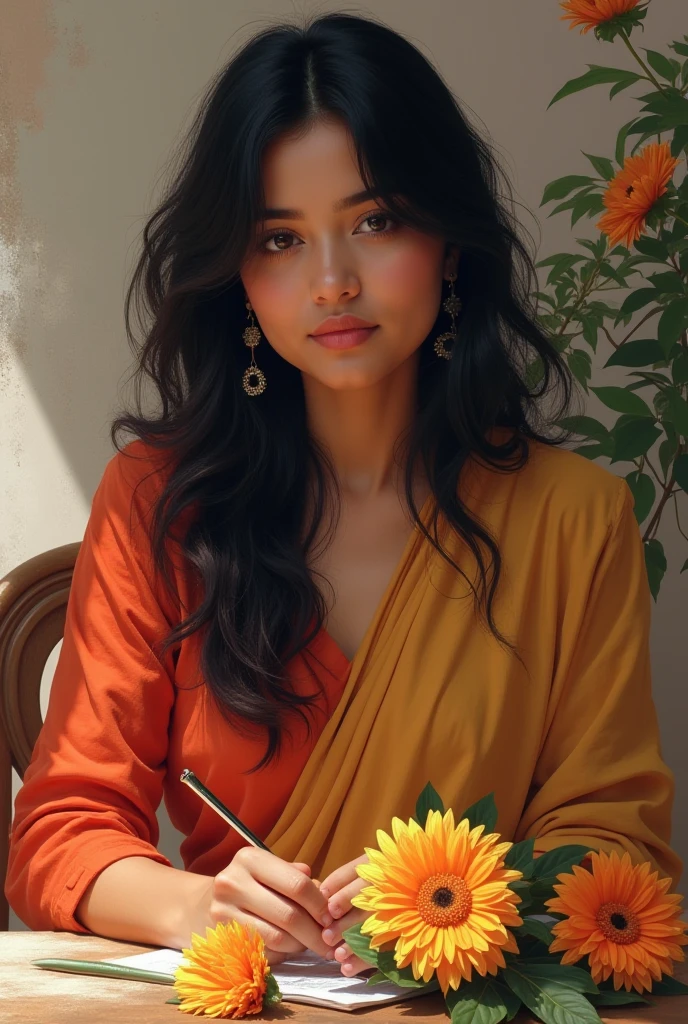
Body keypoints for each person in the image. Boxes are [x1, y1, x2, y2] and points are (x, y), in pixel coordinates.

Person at [5, 10, 682, 980]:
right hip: (239, 997)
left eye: (375, 222)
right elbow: (63, 832)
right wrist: (203, 905)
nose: (330, 281)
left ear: (449, 242)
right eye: (279, 239)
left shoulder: (571, 516)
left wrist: (451, 895)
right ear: (237, 275)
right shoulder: (160, 504)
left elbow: (615, 848)